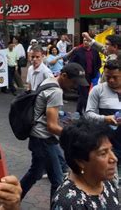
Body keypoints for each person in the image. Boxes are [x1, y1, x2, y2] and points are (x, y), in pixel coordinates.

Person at [20, 63, 90, 200]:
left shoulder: (49, 81)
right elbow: (51, 126)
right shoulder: (56, 92)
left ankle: (13, 199)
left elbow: (47, 114)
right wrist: (74, 134)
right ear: (64, 76)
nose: (75, 86)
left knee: (35, 173)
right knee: (58, 181)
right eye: (74, 81)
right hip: (43, 138)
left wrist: (62, 117)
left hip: (39, 136)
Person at [51, 119, 119, 209]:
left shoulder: (104, 181)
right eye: (103, 153)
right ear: (80, 161)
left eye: (111, 150)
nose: (114, 158)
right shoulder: (69, 203)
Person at [85, 59, 121, 180]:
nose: (111, 80)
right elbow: (88, 114)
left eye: (115, 77)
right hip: (107, 147)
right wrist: (105, 118)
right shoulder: (98, 90)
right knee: (110, 182)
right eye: (108, 76)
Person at [70, 37, 102, 114]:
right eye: (84, 40)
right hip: (81, 76)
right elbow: (71, 63)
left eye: (87, 40)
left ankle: (78, 111)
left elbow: (98, 62)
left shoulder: (94, 51)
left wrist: (96, 71)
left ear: (90, 42)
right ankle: (86, 112)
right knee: (83, 94)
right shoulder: (77, 51)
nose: (86, 42)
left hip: (91, 75)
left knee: (84, 94)